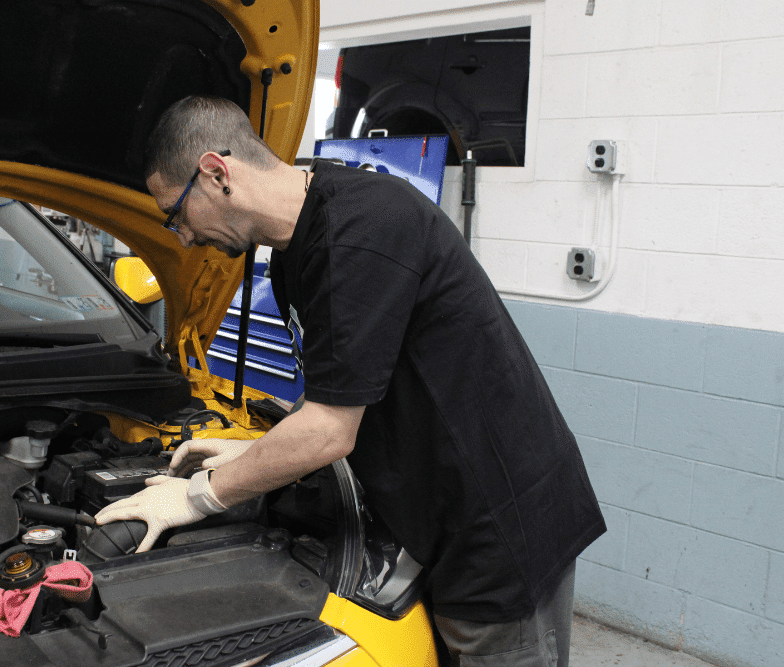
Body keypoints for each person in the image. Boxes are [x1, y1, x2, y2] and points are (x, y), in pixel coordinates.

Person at [95, 96, 606, 667]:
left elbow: (330, 431)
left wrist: (199, 496)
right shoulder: (297, 248)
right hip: (433, 513)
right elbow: (339, 389)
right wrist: (254, 448)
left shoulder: (362, 231)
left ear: (216, 173)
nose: (182, 238)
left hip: (496, 524)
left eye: (176, 214)